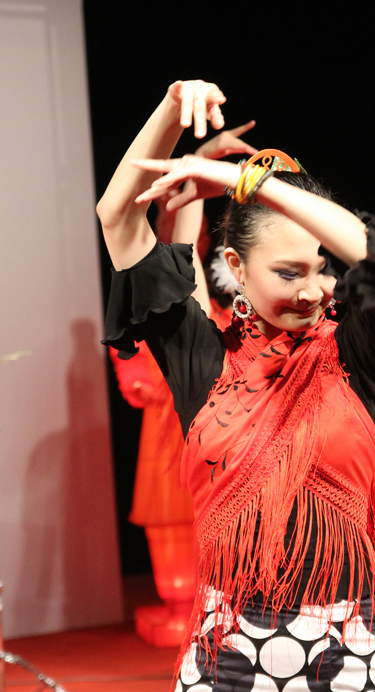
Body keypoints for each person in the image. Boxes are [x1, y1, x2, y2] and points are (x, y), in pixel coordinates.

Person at [99, 79, 375, 692]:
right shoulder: (201, 359)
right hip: (228, 671)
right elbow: (116, 216)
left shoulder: (358, 352)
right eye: (288, 272)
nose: (313, 289)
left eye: (320, 273)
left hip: (345, 674)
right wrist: (172, 110)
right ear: (233, 266)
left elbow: (374, 255)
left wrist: (250, 183)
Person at [110, 124, 256, 646]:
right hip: (172, 426)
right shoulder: (178, 310)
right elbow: (174, 247)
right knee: (169, 514)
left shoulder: (235, 321)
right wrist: (194, 164)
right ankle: (185, 601)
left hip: (226, 435)